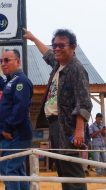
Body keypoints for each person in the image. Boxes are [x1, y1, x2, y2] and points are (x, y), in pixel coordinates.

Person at [24, 28, 92, 190]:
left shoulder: (76, 68)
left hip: (69, 128)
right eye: (55, 45)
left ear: (73, 47)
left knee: (71, 171)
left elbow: (83, 102)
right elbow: (47, 53)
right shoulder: (58, 64)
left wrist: (79, 130)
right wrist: (33, 38)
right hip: (55, 125)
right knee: (62, 169)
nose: (57, 49)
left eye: (61, 45)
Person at [0, 48, 33, 190]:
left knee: (8, 169)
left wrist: (7, 128)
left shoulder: (21, 80)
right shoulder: (11, 81)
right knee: (16, 171)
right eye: (1, 61)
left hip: (16, 134)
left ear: (18, 61)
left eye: (7, 60)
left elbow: (21, 108)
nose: (3, 64)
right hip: (10, 135)